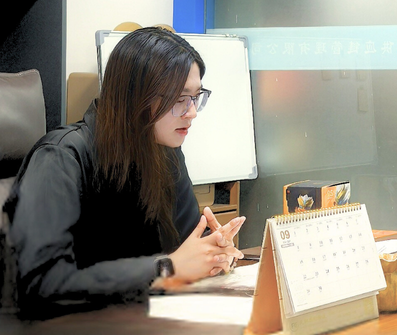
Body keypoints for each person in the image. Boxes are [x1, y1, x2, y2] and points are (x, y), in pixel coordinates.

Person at [3, 27, 245, 316]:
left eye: (196, 96)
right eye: (180, 98)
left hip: (142, 317)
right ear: (135, 97)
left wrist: (212, 253)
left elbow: (183, 246)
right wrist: (168, 268)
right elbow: (42, 286)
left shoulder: (165, 153)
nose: (192, 111)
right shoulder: (60, 157)